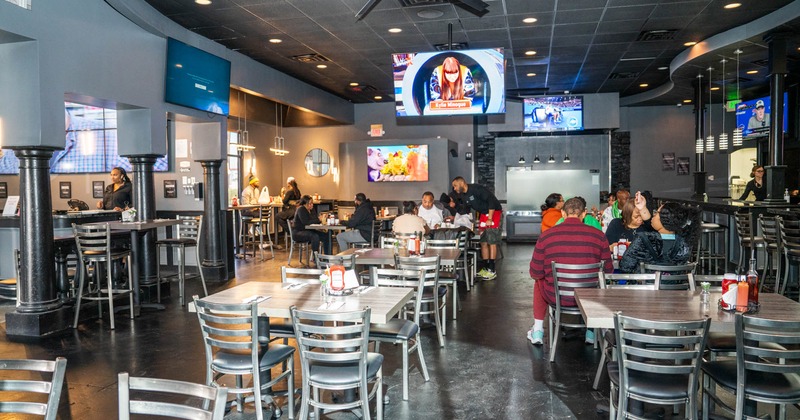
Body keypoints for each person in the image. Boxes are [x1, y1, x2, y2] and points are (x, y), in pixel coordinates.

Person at [528, 197, 613, 345]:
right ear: (584, 214)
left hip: (557, 297)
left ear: (563, 214)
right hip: (590, 299)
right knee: (601, 283)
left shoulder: (546, 236)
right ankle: (591, 331)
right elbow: (608, 271)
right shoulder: (599, 236)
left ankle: (538, 330)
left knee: (538, 281)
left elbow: (535, 272)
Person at [619, 201, 702, 273]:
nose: (653, 215)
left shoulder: (642, 239)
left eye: (657, 213)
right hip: (676, 290)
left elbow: (625, 266)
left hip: (645, 288)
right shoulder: (685, 242)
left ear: (664, 219)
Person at [451, 176, 503, 280]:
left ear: (461, 183)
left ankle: (492, 270)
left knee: (491, 241)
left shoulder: (476, 189)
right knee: (483, 242)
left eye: (455, 186)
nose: (454, 188)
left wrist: (490, 217)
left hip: (494, 212)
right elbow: (464, 210)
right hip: (484, 214)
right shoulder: (463, 195)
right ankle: (486, 267)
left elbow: (491, 200)